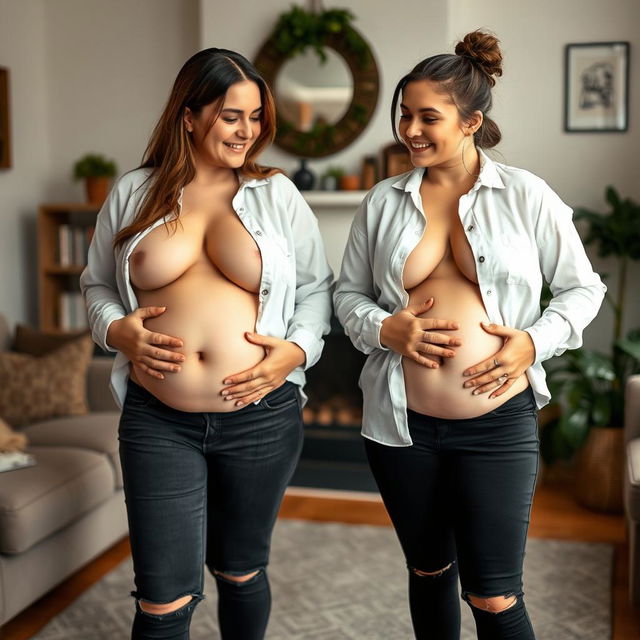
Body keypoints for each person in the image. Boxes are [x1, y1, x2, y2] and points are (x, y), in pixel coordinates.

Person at [333, 31, 605, 640]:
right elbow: (345, 297)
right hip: (401, 426)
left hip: (496, 422)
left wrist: (533, 342)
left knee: (494, 595)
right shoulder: (381, 202)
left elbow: (583, 289)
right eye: (404, 114)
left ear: (472, 121)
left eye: (428, 116)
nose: (410, 129)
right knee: (428, 571)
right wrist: (387, 328)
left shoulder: (527, 196)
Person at [80, 48, 333, 640]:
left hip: (261, 416)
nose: (246, 131)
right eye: (229, 116)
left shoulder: (278, 195)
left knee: (241, 571)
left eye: (254, 117)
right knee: (163, 601)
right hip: (157, 418)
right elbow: (94, 283)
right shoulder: (134, 191)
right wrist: (115, 329)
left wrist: (294, 354)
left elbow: (318, 293)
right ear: (189, 115)